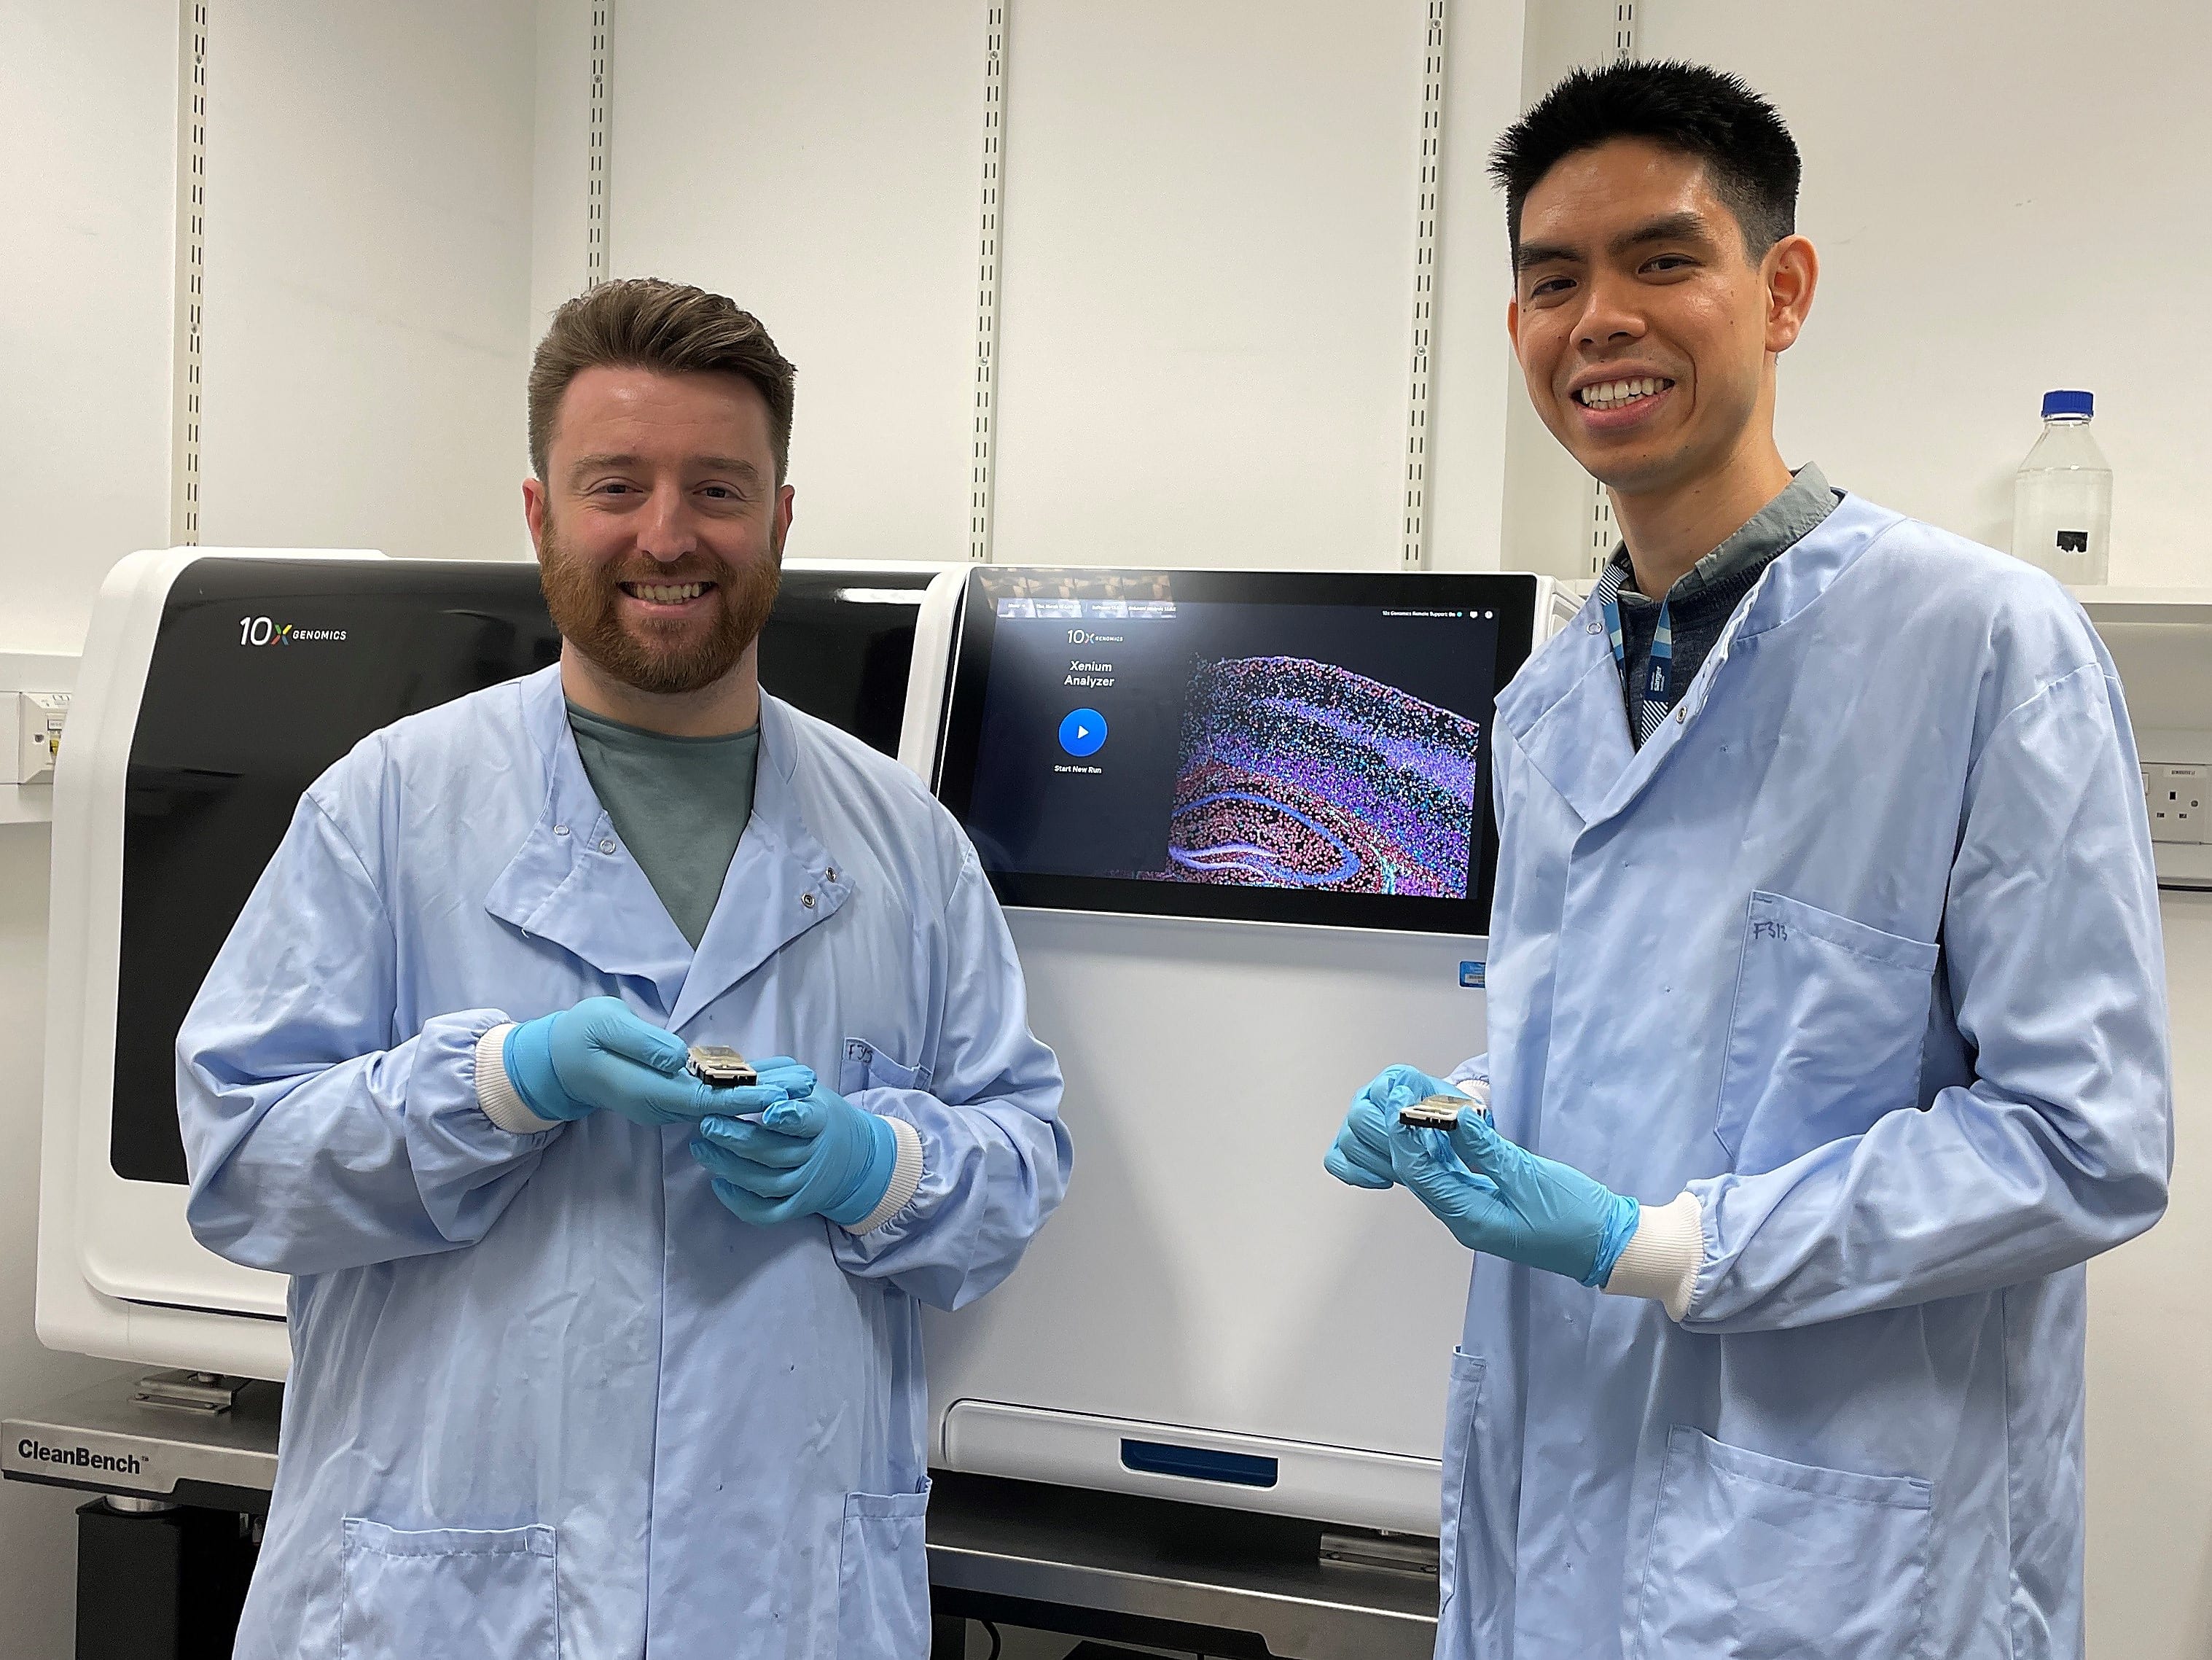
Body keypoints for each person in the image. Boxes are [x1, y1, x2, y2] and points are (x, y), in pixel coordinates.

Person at [1326, 61, 2169, 1660]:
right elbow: (1658, 1047)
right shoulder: (1549, 702)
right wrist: (1475, 1101)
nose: (1600, 321)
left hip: (1842, 1554)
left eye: (1662, 261)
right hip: (1559, 1500)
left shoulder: (1980, 644)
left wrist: (1662, 1243)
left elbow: (2085, 1138)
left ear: (1780, 291)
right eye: (1551, 280)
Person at [177, 278, 1071, 1659]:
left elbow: (1019, 1160)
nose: (668, 535)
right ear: (540, 514)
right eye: (617, 486)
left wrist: (873, 1164)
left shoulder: (906, 844)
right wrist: (495, 1084)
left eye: (718, 488)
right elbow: (240, 1159)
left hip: (783, 1603)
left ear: (780, 515)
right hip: (441, 1603)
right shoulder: (390, 806)